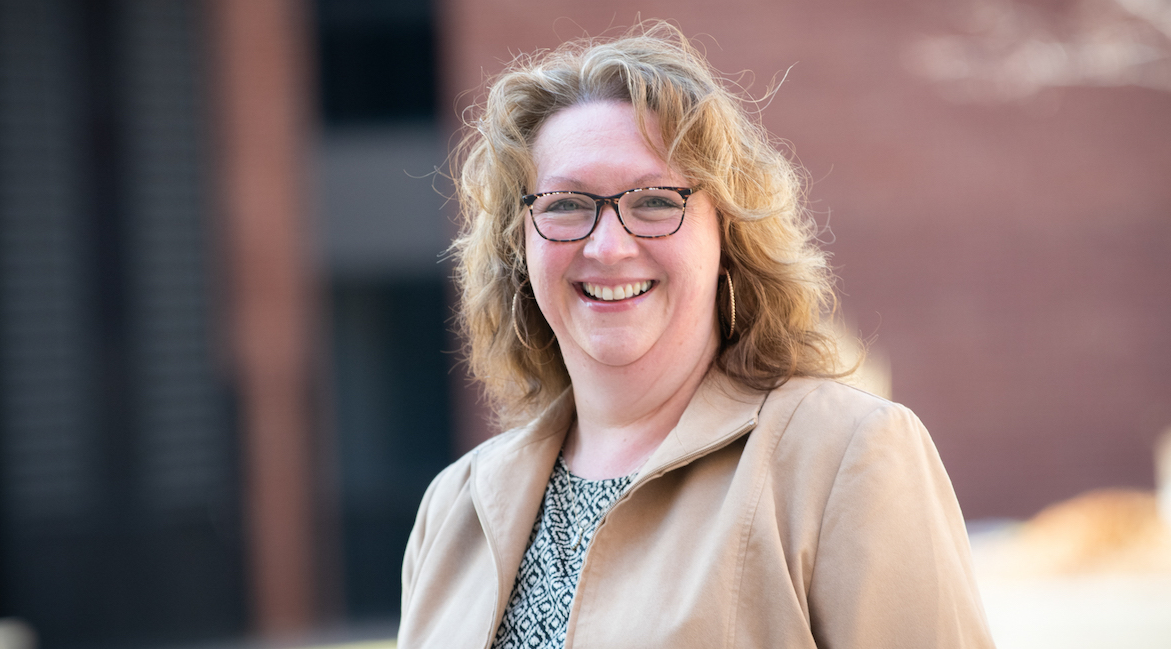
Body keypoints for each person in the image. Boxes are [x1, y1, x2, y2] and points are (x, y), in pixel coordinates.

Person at [398, 21, 994, 649]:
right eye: (565, 204)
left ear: (728, 235)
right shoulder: (455, 506)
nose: (607, 246)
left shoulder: (843, 455)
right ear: (517, 245)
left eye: (655, 201)